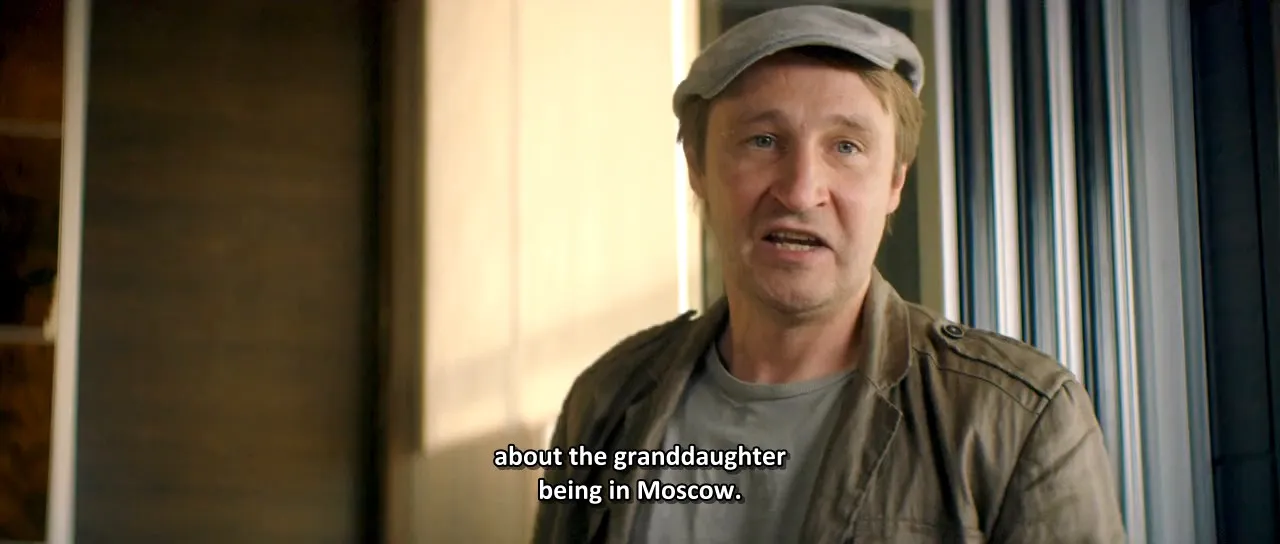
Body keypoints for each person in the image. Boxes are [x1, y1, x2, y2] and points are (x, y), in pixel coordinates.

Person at [531, 5, 1126, 543]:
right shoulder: (605, 402)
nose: (800, 191)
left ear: (894, 182)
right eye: (762, 140)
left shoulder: (1018, 420)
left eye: (846, 147)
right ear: (697, 167)